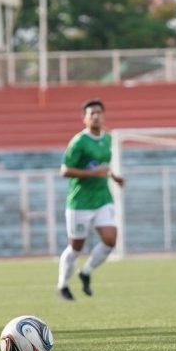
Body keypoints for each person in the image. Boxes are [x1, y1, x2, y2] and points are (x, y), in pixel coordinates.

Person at [57, 99, 124, 301]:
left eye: (98, 112)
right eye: (91, 113)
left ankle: (86, 272)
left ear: (104, 115)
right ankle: (63, 284)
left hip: (103, 197)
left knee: (111, 240)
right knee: (76, 247)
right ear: (84, 119)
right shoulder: (78, 142)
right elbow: (65, 171)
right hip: (80, 202)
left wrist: (113, 176)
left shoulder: (108, 139)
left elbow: (103, 164)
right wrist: (92, 174)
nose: (95, 116)